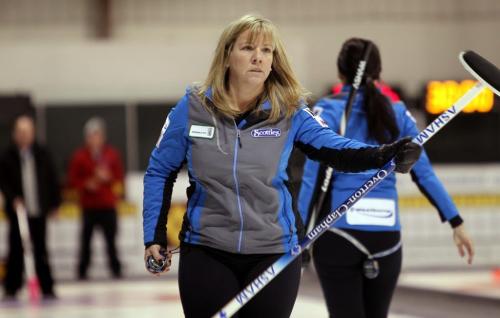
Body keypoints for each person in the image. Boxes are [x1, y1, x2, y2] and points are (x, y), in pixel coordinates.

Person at [142, 15, 422, 318]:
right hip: (207, 250)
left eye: (267, 51)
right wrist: (154, 237)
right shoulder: (193, 107)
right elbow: (160, 170)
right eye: (248, 48)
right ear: (226, 56)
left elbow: (337, 149)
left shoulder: (289, 112)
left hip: (273, 254)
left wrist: (387, 154)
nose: (258, 58)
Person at [298, 38, 475, 318]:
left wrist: (300, 239)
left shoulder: (326, 110)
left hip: (338, 235)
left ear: (340, 73)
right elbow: (424, 173)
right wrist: (456, 221)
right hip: (386, 240)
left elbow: (312, 179)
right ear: (379, 73)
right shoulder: (397, 112)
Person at [0, 114, 60, 300]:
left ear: (33, 133)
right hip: (18, 212)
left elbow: (52, 180)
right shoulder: (7, 156)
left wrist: (54, 204)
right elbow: (4, 182)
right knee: (16, 250)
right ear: (14, 134)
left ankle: (47, 287)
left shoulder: (42, 154)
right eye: (20, 132)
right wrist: (13, 199)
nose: (24, 135)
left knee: (40, 249)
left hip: (38, 210)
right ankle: (12, 287)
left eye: (27, 131)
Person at [68, 117, 124, 280]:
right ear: (87, 137)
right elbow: (72, 180)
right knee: (85, 242)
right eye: (92, 135)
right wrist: (86, 184)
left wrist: (109, 178)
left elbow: (119, 177)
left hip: (107, 205)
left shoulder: (112, 154)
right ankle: (82, 271)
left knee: (111, 241)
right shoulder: (79, 156)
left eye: (98, 135)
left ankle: (116, 269)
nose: (95, 139)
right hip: (89, 206)